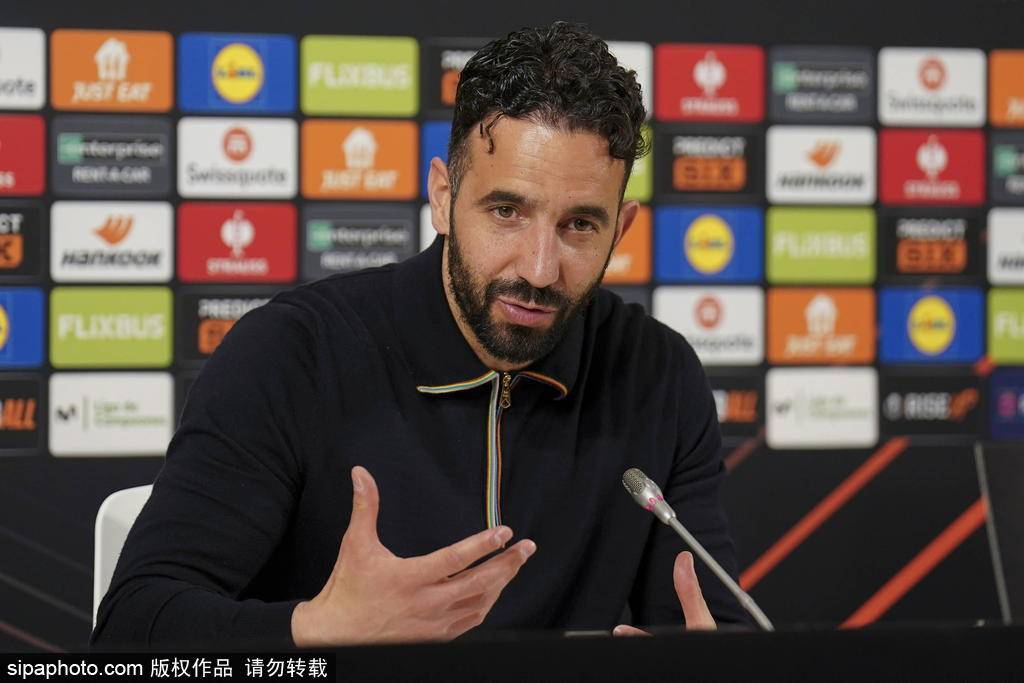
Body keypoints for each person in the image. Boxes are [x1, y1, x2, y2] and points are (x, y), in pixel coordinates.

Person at [91, 21, 749, 650]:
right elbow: (131, 629)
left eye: (579, 225)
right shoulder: (292, 354)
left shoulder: (658, 374)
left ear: (621, 229)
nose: (539, 269)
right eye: (506, 211)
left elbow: (707, 631)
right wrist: (318, 631)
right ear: (442, 196)